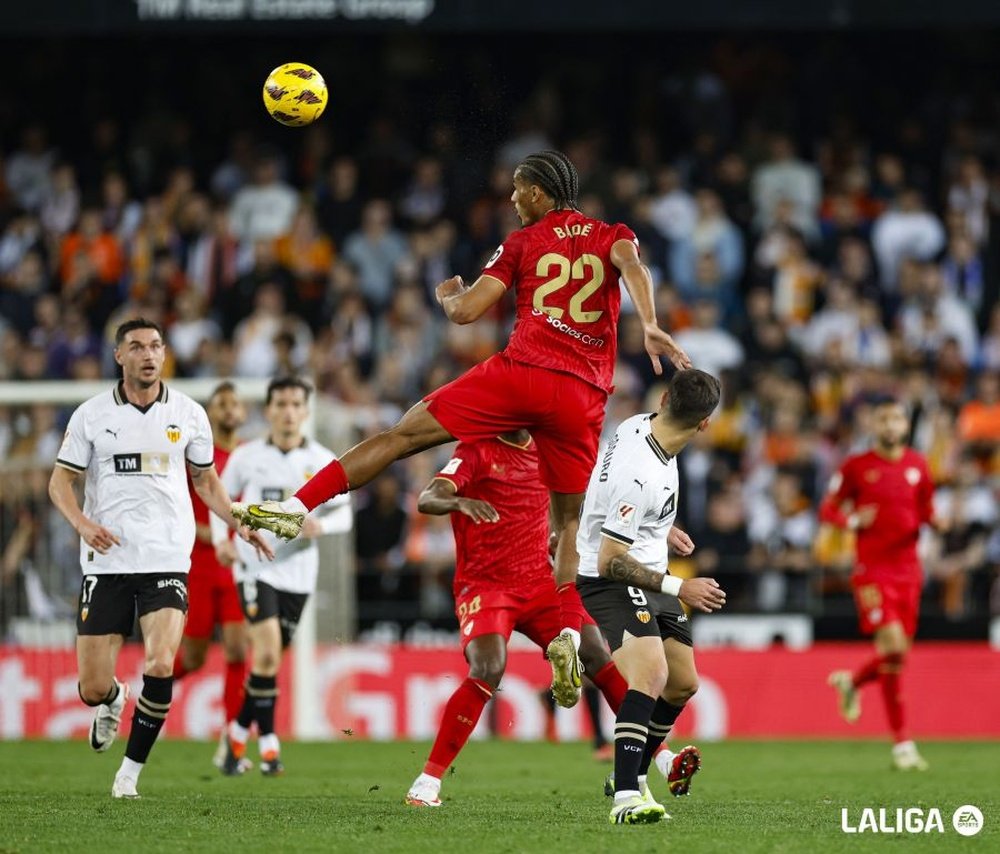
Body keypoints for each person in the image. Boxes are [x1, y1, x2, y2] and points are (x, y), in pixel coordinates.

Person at [233, 150, 691, 710]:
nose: (513, 199)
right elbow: (631, 264)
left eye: (520, 190)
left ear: (543, 193)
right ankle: (568, 636)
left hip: (521, 374)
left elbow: (467, 313)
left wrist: (446, 295)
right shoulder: (611, 232)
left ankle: (298, 505)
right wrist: (649, 323)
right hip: (581, 395)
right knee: (570, 522)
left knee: (403, 437)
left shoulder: (522, 242)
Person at [47, 318, 273, 799]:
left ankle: (128, 775)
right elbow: (59, 483)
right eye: (136, 347)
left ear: (164, 354)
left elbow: (207, 483)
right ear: (119, 356)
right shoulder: (90, 415)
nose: (148, 354)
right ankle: (111, 700)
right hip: (106, 562)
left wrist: (241, 524)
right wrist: (83, 524)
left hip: (167, 558)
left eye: (155, 346)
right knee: (90, 686)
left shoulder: (189, 414)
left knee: (161, 663)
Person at [576, 369, 727, 825]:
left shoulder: (639, 423)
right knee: (651, 674)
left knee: (683, 683)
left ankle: (636, 775)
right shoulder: (639, 474)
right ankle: (626, 798)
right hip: (612, 577)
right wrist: (682, 586)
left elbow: (614, 500)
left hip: (648, 563)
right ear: (705, 424)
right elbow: (609, 560)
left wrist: (662, 529)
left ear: (664, 400)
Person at [214, 376, 352, 776]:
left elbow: (344, 510)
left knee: (269, 663)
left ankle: (237, 735)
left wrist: (320, 528)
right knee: (269, 653)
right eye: (281, 404)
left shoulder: (324, 460)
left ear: (306, 412)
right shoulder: (247, 456)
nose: (289, 412)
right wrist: (225, 538)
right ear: (268, 410)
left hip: (299, 572)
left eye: (296, 404)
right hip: (255, 565)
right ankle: (270, 745)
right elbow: (219, 496)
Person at [820, 396, 944, 772]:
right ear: (875, 425)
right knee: (891, 645)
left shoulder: (919, 465)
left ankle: (858, 689)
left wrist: (938, 523)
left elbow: (926, 510)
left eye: (897, 419)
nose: (891, 426)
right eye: (884, 419)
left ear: (906, 426)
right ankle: (902, 741)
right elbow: (828, 509)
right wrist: (853, 522)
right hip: (873, 570)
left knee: (897, 658)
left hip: (909, 570)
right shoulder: (857, 466)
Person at [170, 381, 250, 770]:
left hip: (237, 565)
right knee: (194, 657)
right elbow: (182, 507)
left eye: (234, 402)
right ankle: (152, 687)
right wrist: (207, 533)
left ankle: (232, 743)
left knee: (238, 650)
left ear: (244, 412)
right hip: (200, 565)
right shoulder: (198, 457)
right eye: (221, 403)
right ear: (210, 413)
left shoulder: (253, 457)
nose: (230, 408)